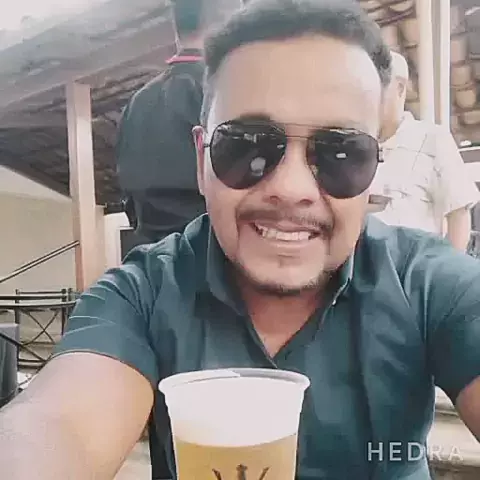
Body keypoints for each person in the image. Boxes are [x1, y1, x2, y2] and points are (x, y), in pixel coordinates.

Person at [1, 1, 480, 479]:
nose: (290, 188)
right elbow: (54, 428)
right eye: (247, 145)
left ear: (374, 168)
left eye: (341, 151)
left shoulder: (429, 284)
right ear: (201, 159)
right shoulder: (141, 295)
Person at [116, 0, 243, 244]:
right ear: (227, 20)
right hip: (215, 253)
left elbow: (128, 197)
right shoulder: (227, 92)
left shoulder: (136, 103)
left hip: (153, 254)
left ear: (176, 26)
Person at [370, 51, 479, 251]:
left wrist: (448, 267)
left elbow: (458, 213)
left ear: (399, 87)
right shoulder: (357, 144)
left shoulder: (432, 139)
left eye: (377, 84)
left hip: (414, 268)